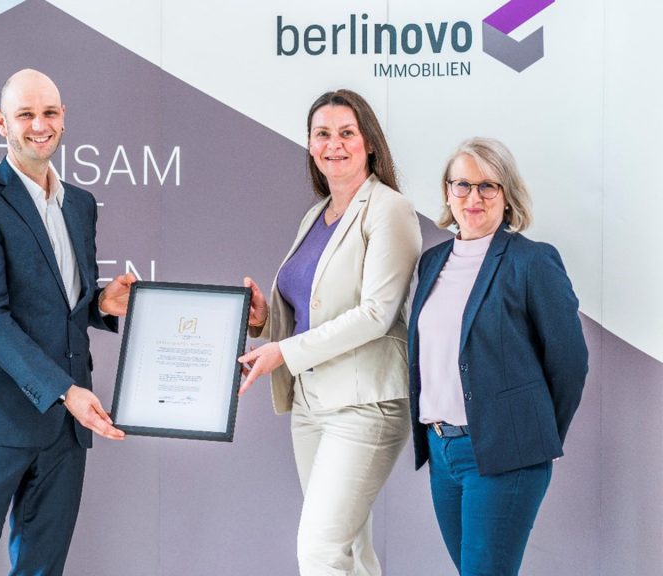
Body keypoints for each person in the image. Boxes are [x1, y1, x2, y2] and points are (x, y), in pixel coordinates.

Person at [0, 68, 136, 576]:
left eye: (49, 113)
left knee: (43, 569)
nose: (39, 125)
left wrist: (102, 304)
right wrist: (66, 391)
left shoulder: (81, 205)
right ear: (3, 122)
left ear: (64, 117)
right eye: (25, 114)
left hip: (65, 430)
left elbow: (67, 300)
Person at [239, 89, 422, 575]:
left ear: (370, 145)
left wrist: (284, 351)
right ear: (310, 144)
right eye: (322, 134)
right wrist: (263, 320)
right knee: (350, 550)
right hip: (311, 403)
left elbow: (377, 313)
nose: (333, 144)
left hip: (365, 403)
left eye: (347, 133)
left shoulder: (389, 209)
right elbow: (311, 312)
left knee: (320, 551)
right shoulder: (314, 217)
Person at [407, 137, 587, 576]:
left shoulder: (532, 261)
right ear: (448, 191)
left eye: (488, 186)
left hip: (505, 454)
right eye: (462, 185)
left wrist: (531, 434)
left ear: (507, 195)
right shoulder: (432, 262)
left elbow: (570, 362)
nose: (474, 197)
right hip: (442, 451)